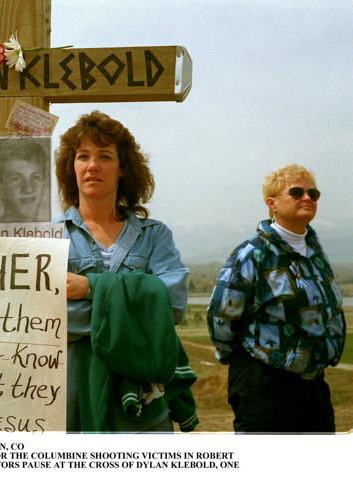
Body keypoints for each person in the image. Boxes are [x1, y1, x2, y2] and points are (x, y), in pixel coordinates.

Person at [55, 111, 197, 433]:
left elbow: (172, 305)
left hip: (142, 407)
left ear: (121, 168)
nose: (92, 165)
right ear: (71, 167)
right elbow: (47, 320)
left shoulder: (154, 236)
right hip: (69, 400)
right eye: (83, 156)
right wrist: (137, 313)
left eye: (105, 156)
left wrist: (92, 288)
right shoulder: (51, 237)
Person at [207, 164, 346, 433]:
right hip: (264, 388)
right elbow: (222, 315)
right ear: (271, 203)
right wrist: (241, 361)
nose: (307, 198)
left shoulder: (316, 254)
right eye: (296, 192)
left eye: (313, 193)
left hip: (314, 386)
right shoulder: (252, 254)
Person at [0, 137, 50, 222]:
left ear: (44, 184)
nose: (28, 189)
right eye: (16, 179)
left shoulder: (58, 230)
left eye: (36, 177)